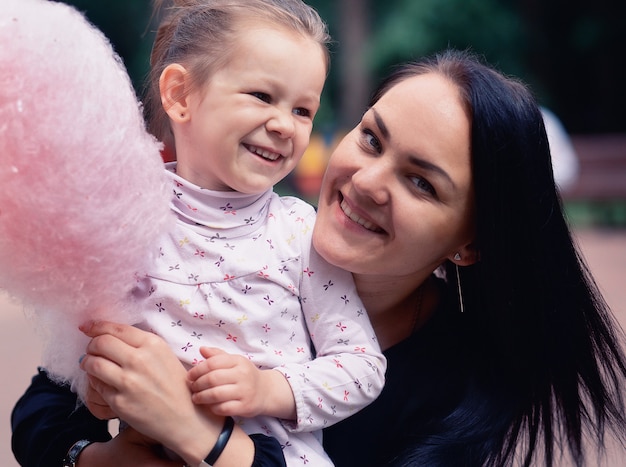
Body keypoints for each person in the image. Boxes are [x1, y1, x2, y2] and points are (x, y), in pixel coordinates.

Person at [13, 48, 626, 466]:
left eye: (421, 183)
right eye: (371, 138)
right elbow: (44, 410)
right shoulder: (227, 238)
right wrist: (98, 459)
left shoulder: (458, 386)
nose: (365, 181)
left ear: (470, 243)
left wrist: (207, 438)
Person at [11, 0, 387, 466]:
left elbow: (363, 368)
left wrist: (269, 388)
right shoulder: (124, 218)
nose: (283, 124)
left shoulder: (299, 233)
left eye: (303, 110)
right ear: (180, 95)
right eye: (262, 96)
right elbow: (79, 358)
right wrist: (96, 387)